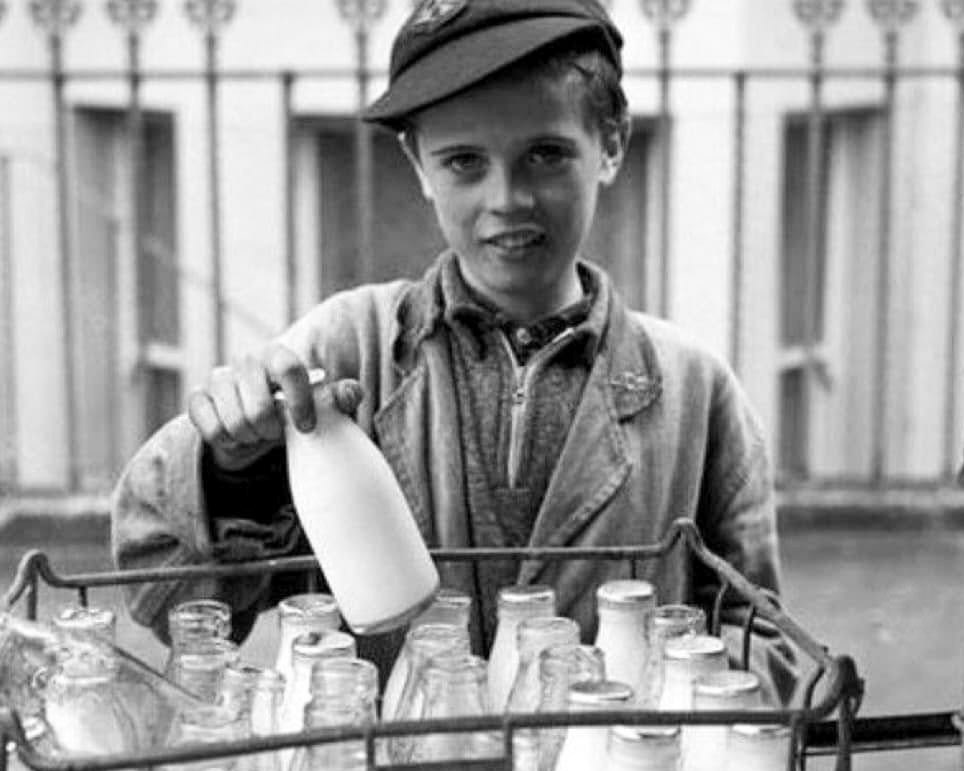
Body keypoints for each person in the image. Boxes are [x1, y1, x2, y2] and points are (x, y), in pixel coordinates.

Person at [111, 0, 798, 703]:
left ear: (612, 143)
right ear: (417, 163)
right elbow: (163, 590)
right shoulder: (342, 349)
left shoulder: (695, 392)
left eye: (547, 154)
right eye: (465, 161)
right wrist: (233, 468)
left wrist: (663, 707)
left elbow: (760, 639)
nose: (508, 198)